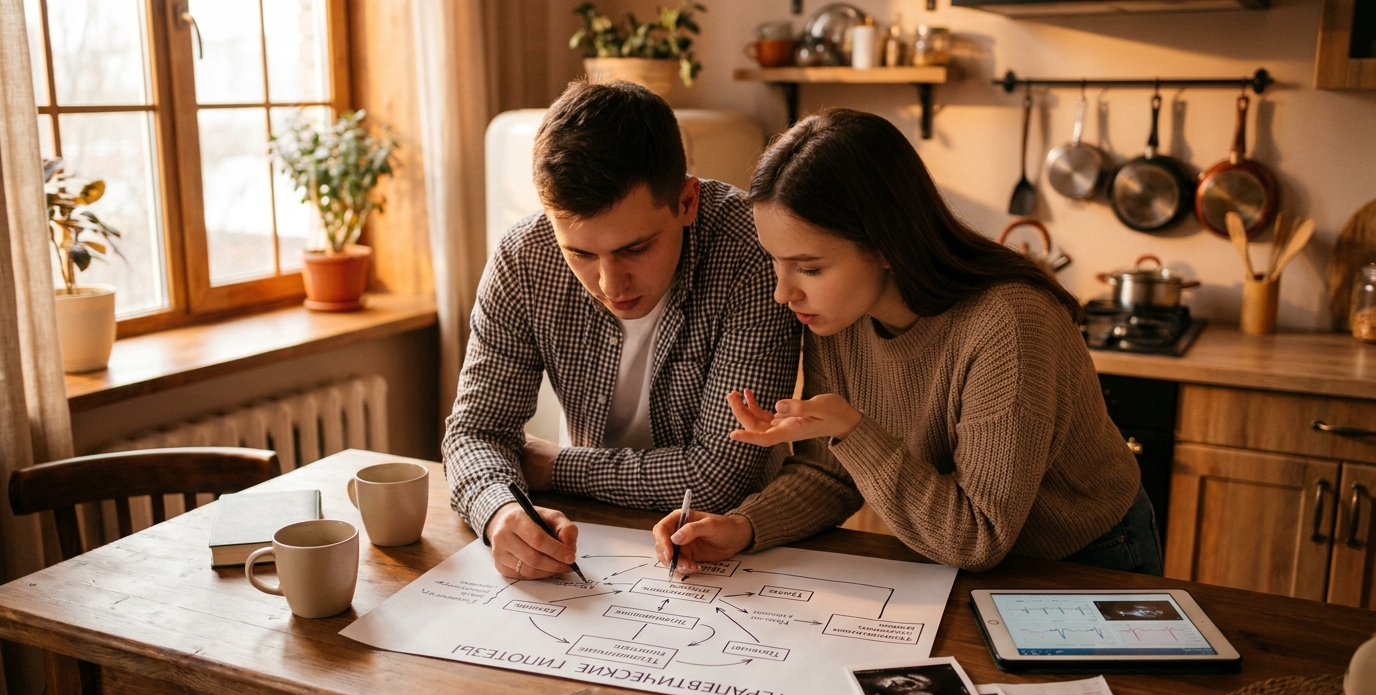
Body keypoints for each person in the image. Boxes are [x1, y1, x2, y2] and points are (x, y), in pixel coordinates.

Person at [652, 108, 1160, 576]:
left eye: (809, 266)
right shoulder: (838, 313)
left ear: (886, 245)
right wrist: (742, 526)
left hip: (1090, 556)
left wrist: (850, 428)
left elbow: (978, 536)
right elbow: (831, 476)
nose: (784, 292)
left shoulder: (1010, 325)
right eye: (775, 261)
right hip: (958, 561)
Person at [443, 81, 800, 581]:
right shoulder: (523, 259)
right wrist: (499, 512)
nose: (611, 284)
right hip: (588, 533)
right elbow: (475, 431)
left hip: (731, 547)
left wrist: (558, 466)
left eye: (635, 248)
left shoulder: (751, 252)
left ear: (687, 201)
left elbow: (720, 477)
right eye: (582, 254)